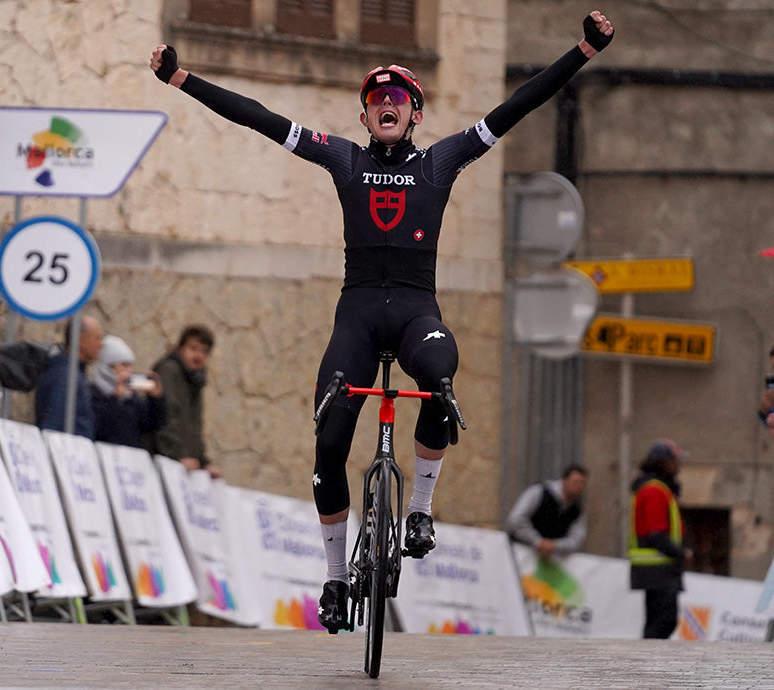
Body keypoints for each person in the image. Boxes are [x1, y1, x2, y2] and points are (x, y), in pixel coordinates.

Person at [149, 9, 614, 632]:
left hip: (418, 310)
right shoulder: (342, 159)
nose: (387, 104)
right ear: (365, 116)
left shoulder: (442, 161)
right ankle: (337, 579)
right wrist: (184, 79)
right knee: (328, 448)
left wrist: (583, 49)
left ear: (415, 114)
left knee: (442, 380)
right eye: (376, 99)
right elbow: (260, 118)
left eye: (399, 98)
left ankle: (419, 507)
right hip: (359, 316)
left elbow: (518, 105)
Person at [629, 438, 691, 639]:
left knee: (658, 622)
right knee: (663, 621)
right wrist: (681, 552)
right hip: (659, 570)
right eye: (674, 460)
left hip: (657, 570)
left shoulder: (655, 488)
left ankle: (645, 665)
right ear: (663, 462)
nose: (677, 466)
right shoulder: (655, 490)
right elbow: (656, 534)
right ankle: (644, 665)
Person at [148, 324, 222, 478]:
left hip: (184, 466)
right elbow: (167, 416)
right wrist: (176, 457)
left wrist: (203, 463)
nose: (198, 355)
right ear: (180, 348)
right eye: (193, 348)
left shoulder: (195, 380)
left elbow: (194, 428)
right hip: (165, 463)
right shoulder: (169, 370)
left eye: (204, 351)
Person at [91, 334, 167, 448]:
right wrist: (115, 398)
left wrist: (156, 399)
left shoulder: (132, 398)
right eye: (124, 365)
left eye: (130, 366)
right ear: (108, 367)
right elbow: (100, 427)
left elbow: (154, 425)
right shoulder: (93, 392)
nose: (128, 371)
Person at [36, 314, 103, 439]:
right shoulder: (65, 377)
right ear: (81, 340)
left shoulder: (75, 374)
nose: (101, 344)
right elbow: (53, 425)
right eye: (98, 338)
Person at [506, 464, 589, 559]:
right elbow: (515, 519)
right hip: (519, 553)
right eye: (575, 482)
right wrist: (537, 541)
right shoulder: (538, 492)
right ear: (564, 481)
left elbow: (577, 539)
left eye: (583, 483)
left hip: (548, 562)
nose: (579, 487)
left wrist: (555, 545)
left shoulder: (577, 511)